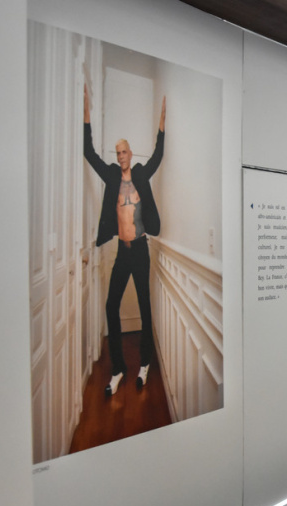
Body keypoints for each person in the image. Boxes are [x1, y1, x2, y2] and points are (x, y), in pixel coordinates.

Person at [83, 85, 166, 396]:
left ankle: (145, 362)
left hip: (141, 251)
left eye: (124, 152)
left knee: (145, 307)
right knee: (110, 306)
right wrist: (86, 116)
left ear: (131, 154)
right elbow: (88, 153)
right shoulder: (111, 177)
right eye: (117, 153)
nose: (120, 157)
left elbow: (158, 155)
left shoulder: (142, 175)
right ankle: (118, 368)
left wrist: (161, 125)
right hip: (122, 251)